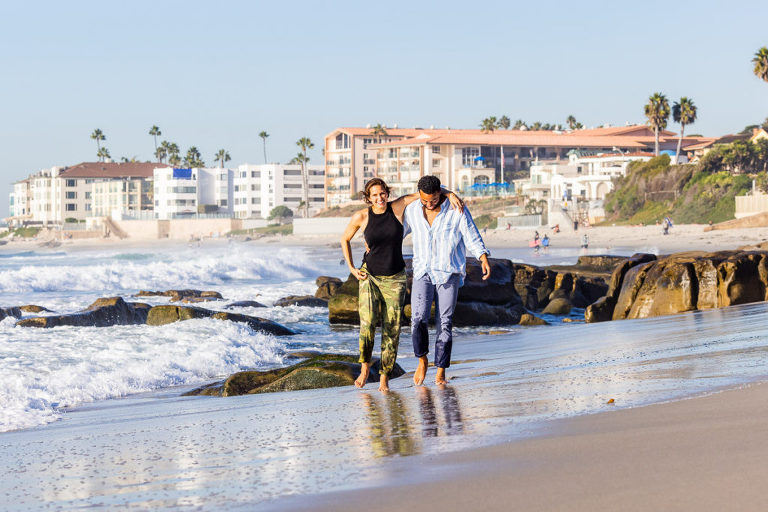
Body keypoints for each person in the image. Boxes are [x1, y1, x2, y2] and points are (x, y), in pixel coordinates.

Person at [341, 178, 463, 393]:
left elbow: (426, 193)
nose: (380, 198)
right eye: (375, 195)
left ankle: (384, 378)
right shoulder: (361, 216)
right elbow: (345, 239)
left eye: (382, 194)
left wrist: (450, 193)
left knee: (392, 328)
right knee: (368, 323)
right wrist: (351, 268)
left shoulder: (397, 207)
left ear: (387, 193)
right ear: (368, 198)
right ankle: (364, 367)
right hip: (369, 277)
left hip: (396, 277)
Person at [404, 175, 491, 386]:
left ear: (439, 194)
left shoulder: (455, 209)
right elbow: (397, 232)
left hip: (448, 271)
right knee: (417, 319)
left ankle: (441, 370)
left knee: (445, 323)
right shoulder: (414, 210)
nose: (429, 204)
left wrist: (482, 257)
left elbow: (471, 233)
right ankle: (422, 360)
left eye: (433, 200)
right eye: (425, 200)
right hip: (422, 270)